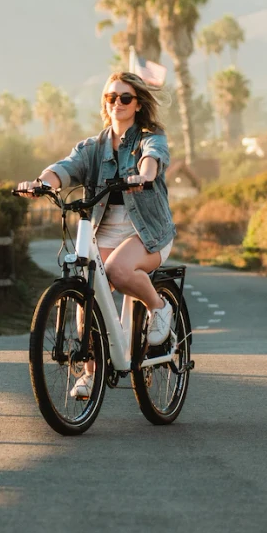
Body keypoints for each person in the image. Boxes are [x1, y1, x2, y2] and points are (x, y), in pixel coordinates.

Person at [16, 71, 176, 400]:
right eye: (110, 97)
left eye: (125, 98)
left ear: (137, 104)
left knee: (117, 270)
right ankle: (90, 372)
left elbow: (152, 160)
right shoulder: (92, 147)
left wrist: (143, 176)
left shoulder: (151, 137)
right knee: (86, 286)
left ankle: (159, 307)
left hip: (147, 231)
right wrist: (42, 183)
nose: (116, 103)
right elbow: (65, 167)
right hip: (104, 229)